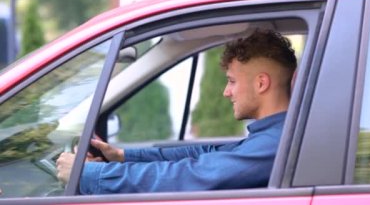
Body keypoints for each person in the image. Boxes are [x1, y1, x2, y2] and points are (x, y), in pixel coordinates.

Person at [56, 28, 297, 194]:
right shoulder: (272, 137)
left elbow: (189, 175)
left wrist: (89, 175)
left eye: (232, 81)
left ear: (261, 83)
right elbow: (206, 153)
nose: (226, 92)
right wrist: (122, 156)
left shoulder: (275, 144)